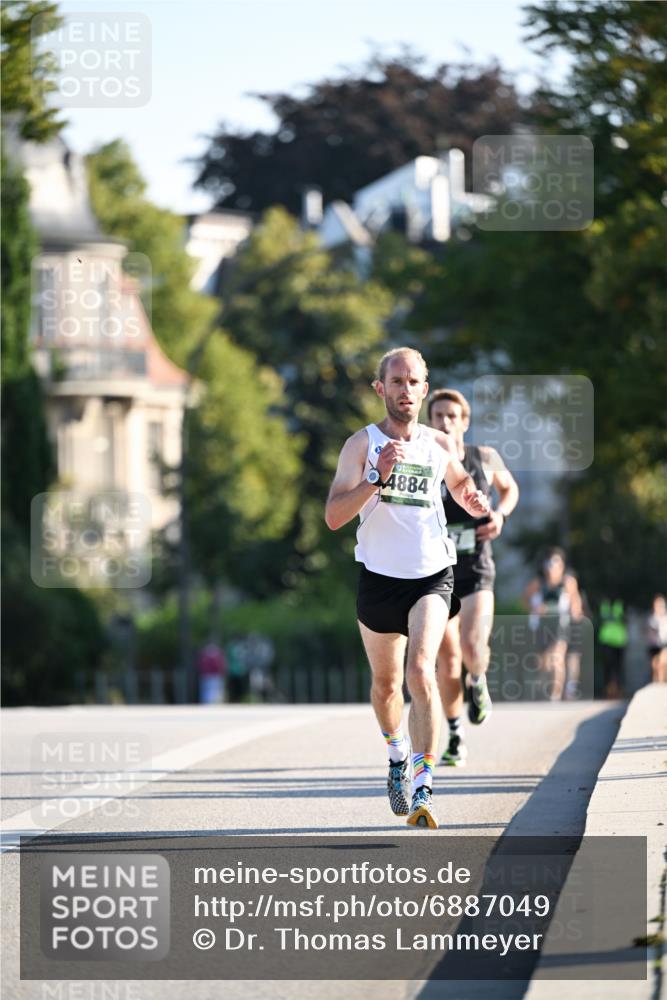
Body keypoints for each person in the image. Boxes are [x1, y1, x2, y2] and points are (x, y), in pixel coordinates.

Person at [325, 347, 490, 829]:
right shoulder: (361, 444)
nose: (405, 390)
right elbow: (334, 516)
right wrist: (376, 478)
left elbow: (460, 484)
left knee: (421, 669)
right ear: (381, 388)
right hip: (379, 579)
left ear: (424, 389)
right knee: (385, 686)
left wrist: (473, 499)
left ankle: (424, 786)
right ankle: (397, 755)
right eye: (396, 381)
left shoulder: (439, 443)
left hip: (432, 575)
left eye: (413, 382)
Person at [428, 389, 519, 765]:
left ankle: (478, 679)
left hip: (477, 569)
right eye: (438, 416)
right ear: (430, 422)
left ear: (464, 422)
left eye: (452, 416)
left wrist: (500, 515)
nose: (445, 422)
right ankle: (455, 735)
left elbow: (509, 489)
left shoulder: (484, 456)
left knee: (472, 646)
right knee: (447, 660)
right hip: (437, 573)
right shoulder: (425, 461)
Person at [524, 548, 583, 701]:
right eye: (549, 564)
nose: (552, 568)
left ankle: (555, 694)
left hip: (561, 623)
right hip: (543, 624)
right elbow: (525, 599)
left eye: (556, 563)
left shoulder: (568, 581)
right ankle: (547, 688)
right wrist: (535, 608)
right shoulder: (538, 583)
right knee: (544, 662)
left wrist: (575, 612)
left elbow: (575, 600)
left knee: (558, 656)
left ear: (562, 565)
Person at [647, 594, 667, 683]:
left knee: (663, 661)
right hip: (654, 645)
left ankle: (662, 679)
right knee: (655, 664)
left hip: (664, 644)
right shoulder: (652, 618)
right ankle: (656, 679)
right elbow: (650, 632)